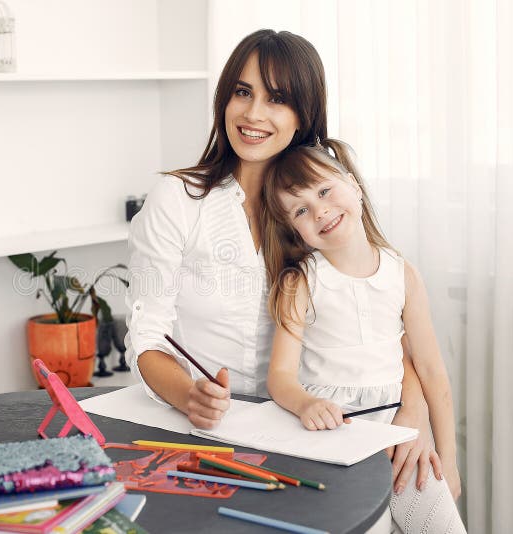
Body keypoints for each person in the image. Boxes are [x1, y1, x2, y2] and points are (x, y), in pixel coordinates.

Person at [125, 28, 439, 498]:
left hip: (317, 425)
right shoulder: (178, 200)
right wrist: (190, 396)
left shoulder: (319, 204)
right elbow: (148, 334)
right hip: (210, 435)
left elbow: (382, 313)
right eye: (242, 92)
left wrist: (414, 410)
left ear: (303, 114)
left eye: (276, 99)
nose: (253, 114)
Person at [262, 139, 465, 533]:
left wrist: (450, 463)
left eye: (324, 191)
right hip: (334, 433)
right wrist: (305, 404)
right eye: (301, 209)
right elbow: (280, 377)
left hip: (398, 432)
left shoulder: (402, 274)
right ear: (295, 230)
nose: (320, 210)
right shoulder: (300, 283)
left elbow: (432, 372)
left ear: (354, 186)